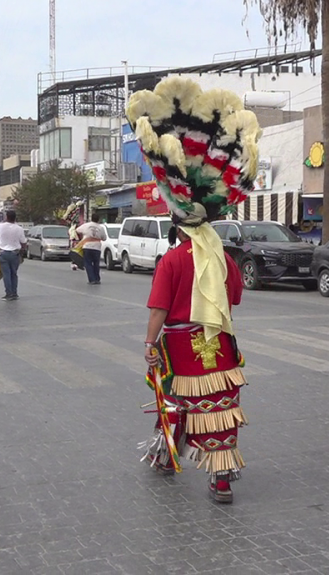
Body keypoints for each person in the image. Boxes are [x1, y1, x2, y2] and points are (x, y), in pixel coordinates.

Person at [127, 76, 260, 503]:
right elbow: (234, 298)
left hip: (182, 344)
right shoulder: (221, 257)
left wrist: (149, 344)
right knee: (219, 410)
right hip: (219, 343)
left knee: (175, 400)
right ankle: (220, 480)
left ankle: (167, 456)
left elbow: (158, 310)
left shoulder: (172, 260)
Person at [0, 210, 27, 300]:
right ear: (15, 218)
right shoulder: (19, 228)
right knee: (14, 274)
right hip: (14, 253)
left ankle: (9, 294)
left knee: (6, 274)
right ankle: (14, 293)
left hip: (2, 253)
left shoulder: (0, 226)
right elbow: (23, 242)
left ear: (6, 217)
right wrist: (22, 250)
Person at [76, 213, 107, 284]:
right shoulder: (101, 228)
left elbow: (77, 230)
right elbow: (104, 238)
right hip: (97, 248)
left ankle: (92, 279)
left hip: (87, 246)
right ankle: (97, 279)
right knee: (96, 263)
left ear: (91, 218)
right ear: (98, 219)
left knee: (88, 263)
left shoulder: (86, 225)